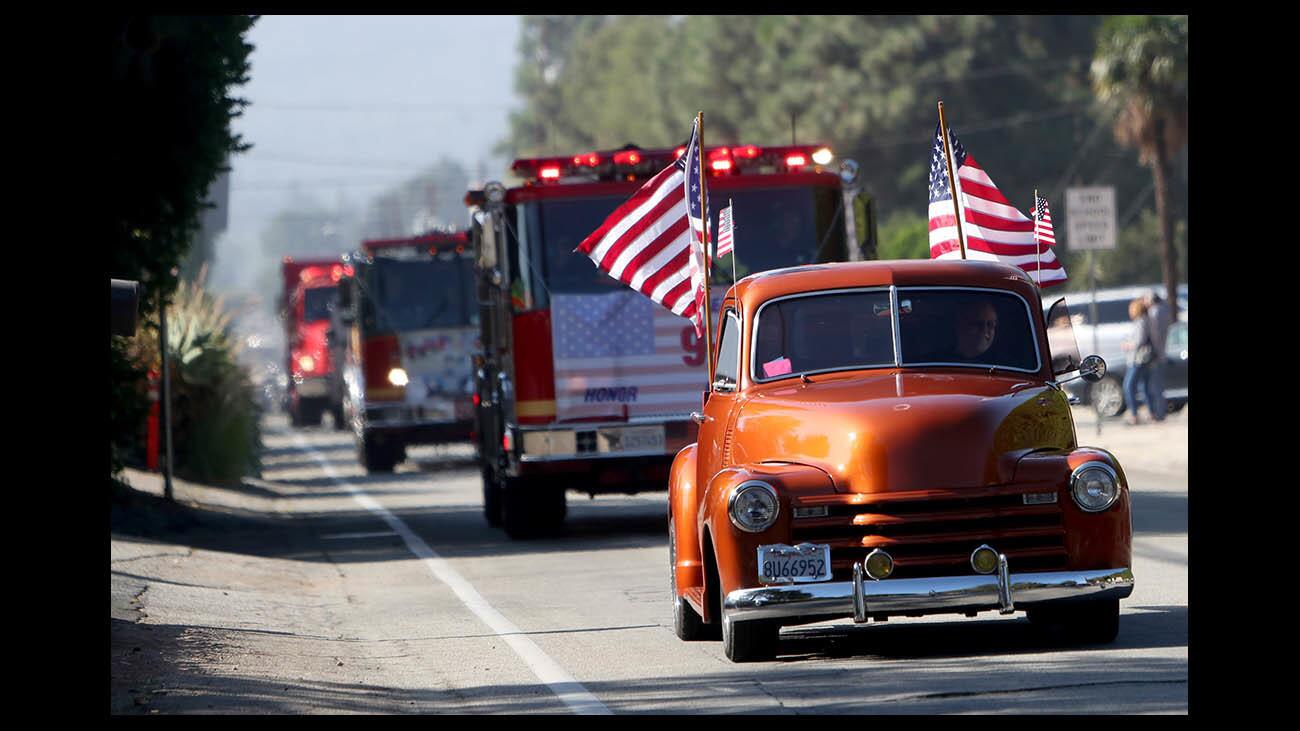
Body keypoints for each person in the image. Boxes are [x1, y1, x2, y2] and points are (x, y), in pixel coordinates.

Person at [1121, 297, 1155, 425]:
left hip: (1138, 359)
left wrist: (1128, 345)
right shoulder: (1145, 320)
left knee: (1129, 386)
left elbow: (1139, 341)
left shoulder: (1141, 321)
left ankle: (1134, 415)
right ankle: (1151, 413)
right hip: (1143, 359)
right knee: (1144, 387)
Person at [1144, 290, 1171, 421]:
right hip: (1162, 352)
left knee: (1155, 386)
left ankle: (1159, 413)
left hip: (1155, 354)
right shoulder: (1165, 309)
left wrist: (1152, 350)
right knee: (1158, 385)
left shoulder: (1155, 311)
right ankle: (1161, 411)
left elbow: (1155, 334)